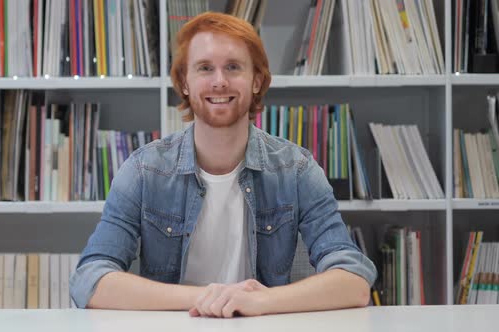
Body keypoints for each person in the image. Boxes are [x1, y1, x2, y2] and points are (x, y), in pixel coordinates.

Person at [70, 11, 376, 318]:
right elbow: (90, 279)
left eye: (233, 67)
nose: (219, 81)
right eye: (204, 68)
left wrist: (258, 301)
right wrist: (209, 296)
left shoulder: (296, 170)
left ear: (256, 80)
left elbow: (354, 281)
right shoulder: (143, 170)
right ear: (184, 83)